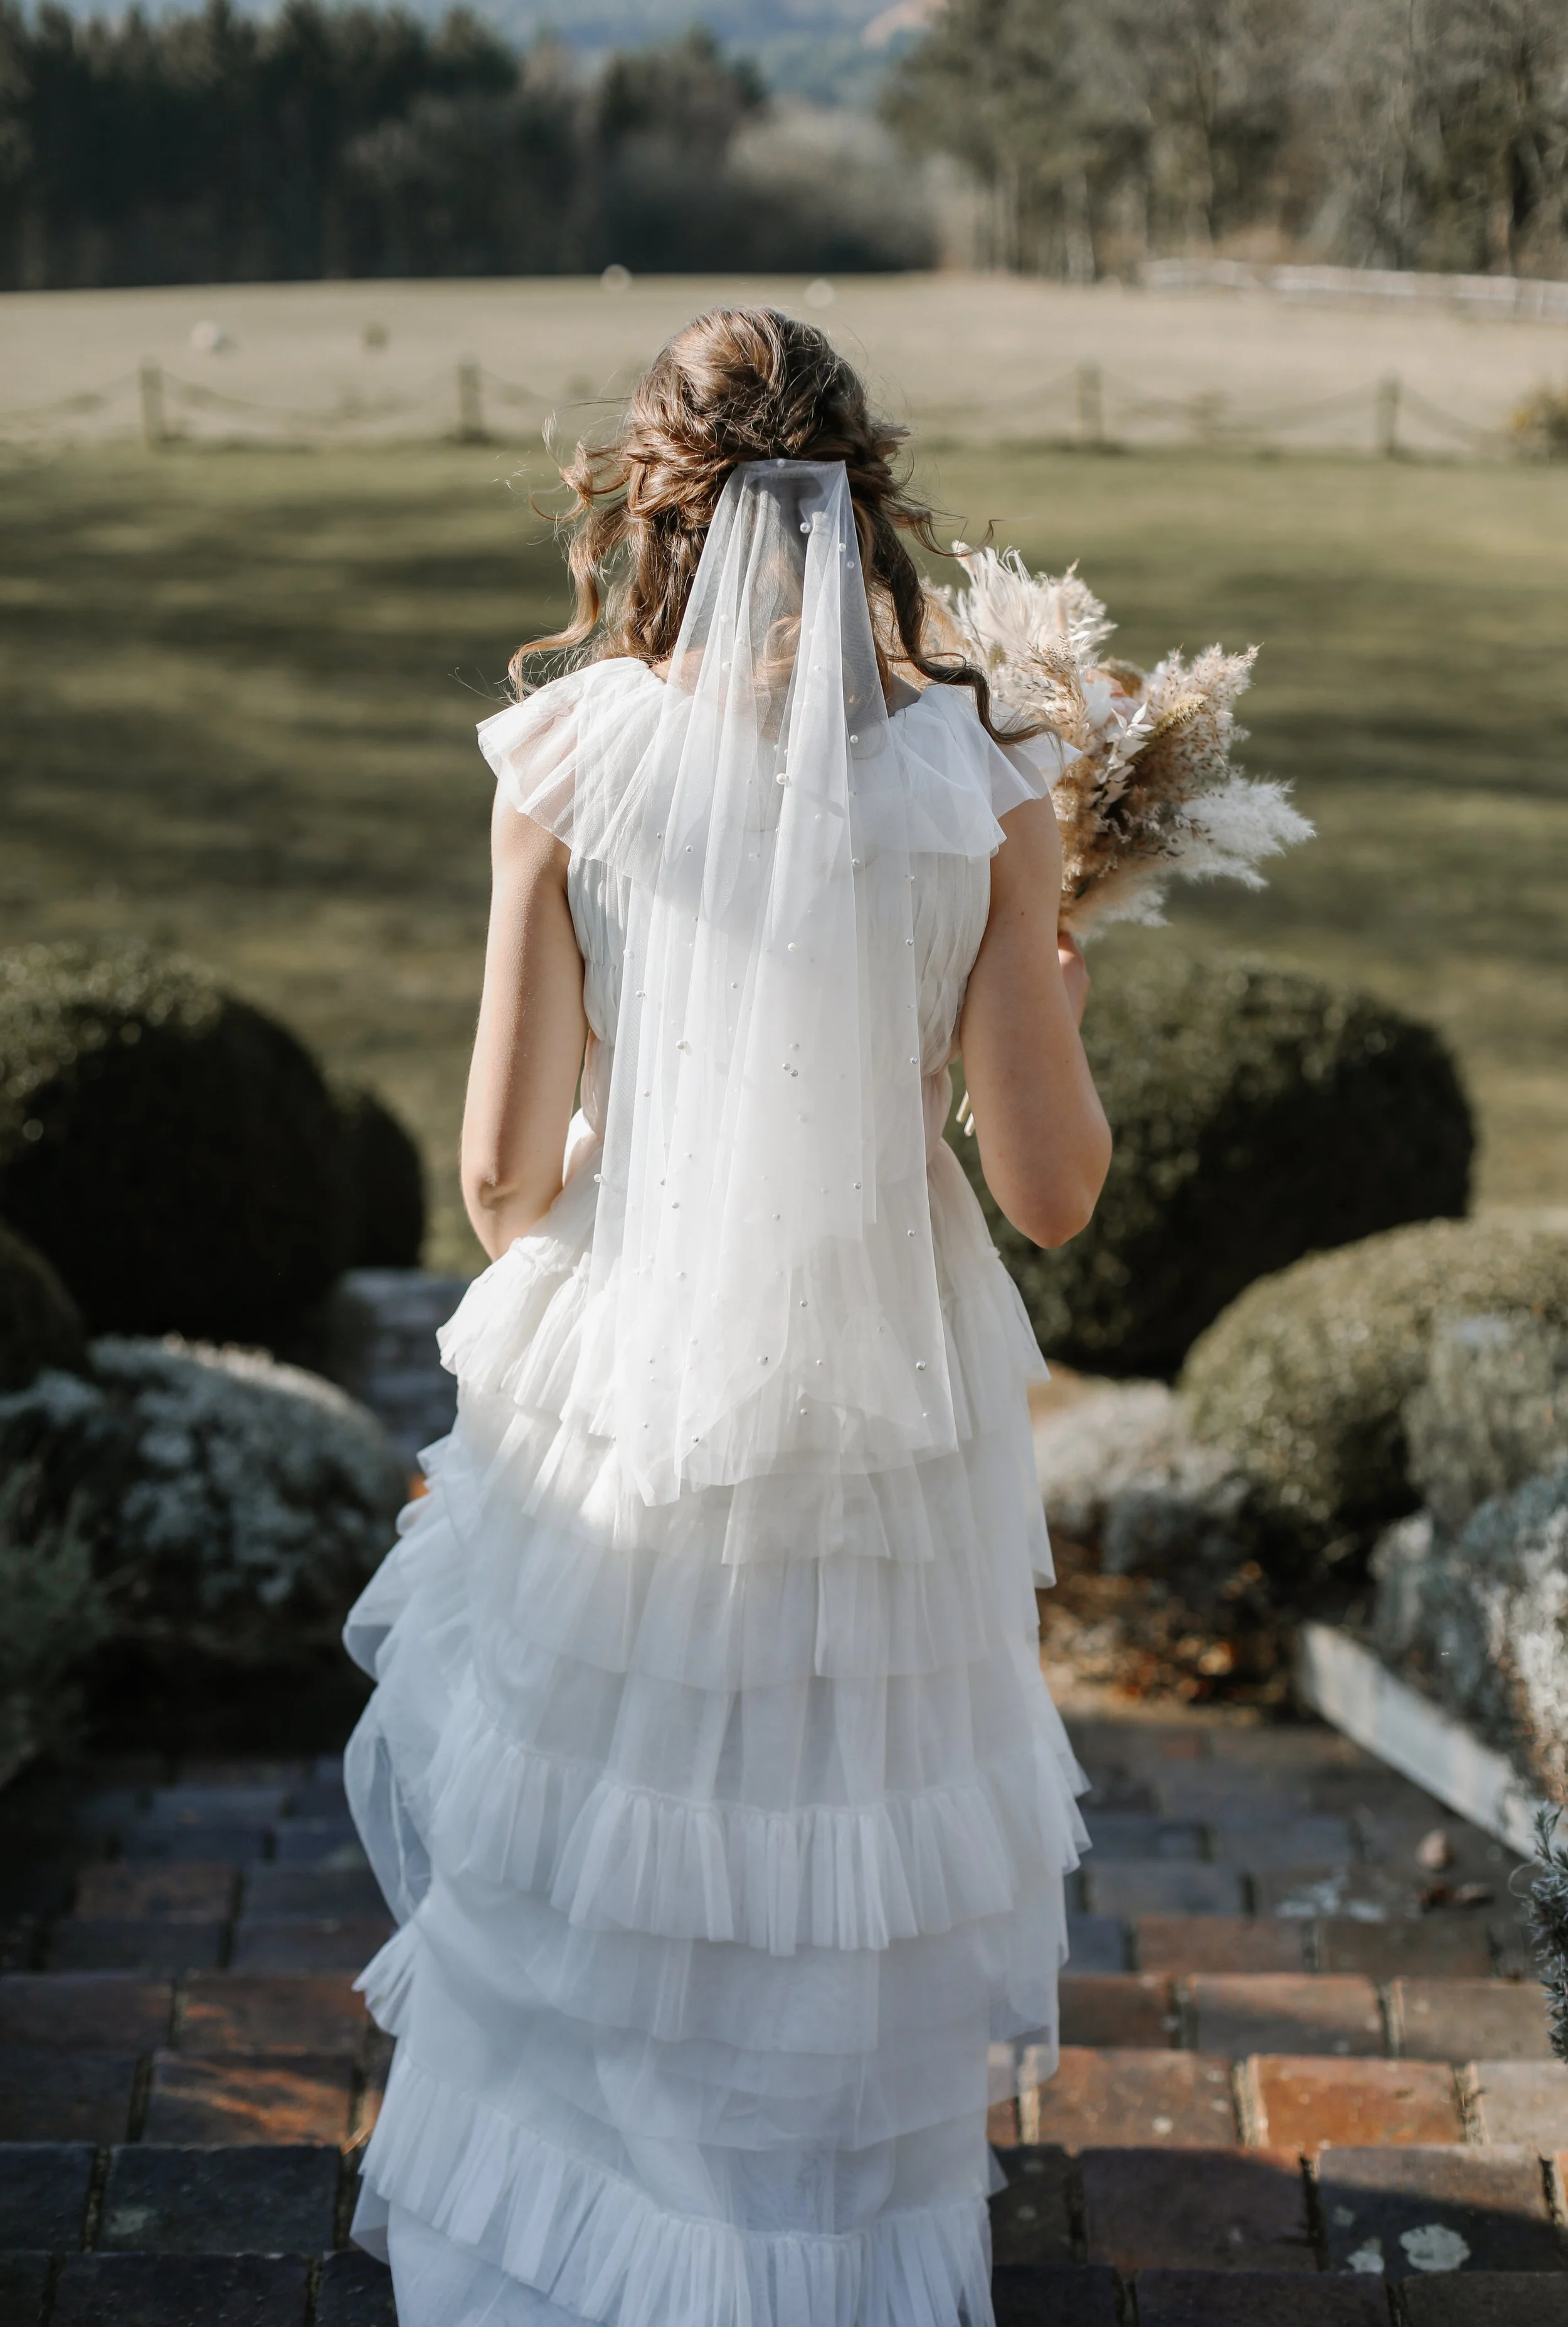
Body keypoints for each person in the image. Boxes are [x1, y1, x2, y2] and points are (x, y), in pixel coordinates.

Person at [342, 306, 1112, 2327]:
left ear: (648, 503)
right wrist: (1045, 998)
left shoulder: (570, 758)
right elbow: (1048, 1189)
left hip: (630, 1371)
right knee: (829, 1853)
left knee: (605, 1851)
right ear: (869, 502)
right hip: (891, 1406)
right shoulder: (987, 773)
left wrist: (624, 1126)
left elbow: (503, 1183)